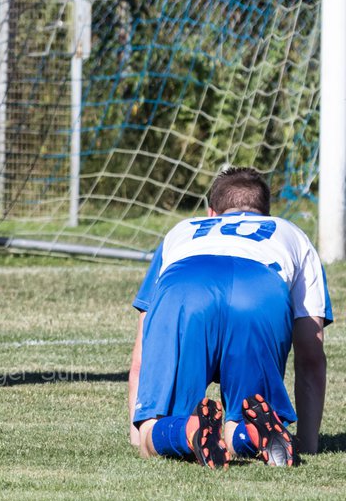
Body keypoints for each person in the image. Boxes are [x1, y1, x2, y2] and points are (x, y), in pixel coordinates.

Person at [127, 167, 331, 468]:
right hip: (259, 289)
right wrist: (309, 444)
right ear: (267, 214)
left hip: (186, 286)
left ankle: (188, 431)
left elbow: (141, 355)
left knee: (156, 429)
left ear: (212, 212)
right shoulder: (290, 234)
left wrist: (141, 435)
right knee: (242, 419)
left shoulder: (182, 231)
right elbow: (311, 355)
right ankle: (253, 433)